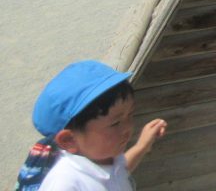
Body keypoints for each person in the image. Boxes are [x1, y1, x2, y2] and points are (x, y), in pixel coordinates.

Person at [15, 60, 166, 191]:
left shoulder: (105, 158)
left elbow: (120, 170)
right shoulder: (66, 182)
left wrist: (142, 146)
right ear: (69, 140)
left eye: (130, 115)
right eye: (115, 123)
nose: (127, 128)